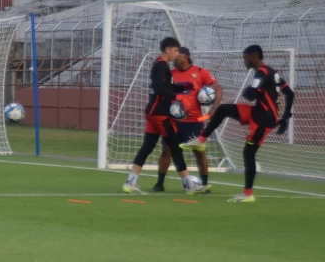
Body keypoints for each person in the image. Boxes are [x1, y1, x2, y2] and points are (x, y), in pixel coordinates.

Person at [180, 45, 294, 202]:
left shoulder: (260, 73)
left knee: (248, 153)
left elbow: (251, 94)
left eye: (246, 58)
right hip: (258, 112)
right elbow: (289, 93)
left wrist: (249, 91)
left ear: (253, 57)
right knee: (224, 109)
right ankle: (201, 140)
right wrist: (286, 116)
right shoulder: (271, 72)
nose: (244, 61)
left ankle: (248, 194)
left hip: (263, 120)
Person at [122, 37, 210, 195]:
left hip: (153, 112)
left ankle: (130, 182)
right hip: (160, 114)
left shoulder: (162, 65)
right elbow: (158, 87)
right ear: (168, 49)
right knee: (175, 147)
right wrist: (178, 97)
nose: (177, 54)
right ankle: (187, 184)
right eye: (176, 50)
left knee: (148, 146)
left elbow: (166, 86)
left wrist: (185, 86)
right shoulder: (161, 65)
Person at [151, 47, 223, 192]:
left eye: (178, 55)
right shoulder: (170, 73)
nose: (174, 58)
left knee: (198, 151)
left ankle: (204, 184)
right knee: (167, 151)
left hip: (194, 121)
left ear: (185, 56)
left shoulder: (201, 72)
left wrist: (214, 108)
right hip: (173, 120)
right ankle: (159, 184)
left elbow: (218, 89)